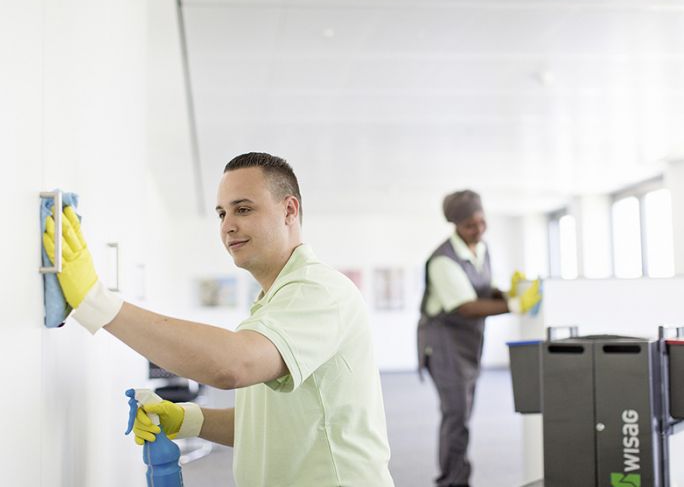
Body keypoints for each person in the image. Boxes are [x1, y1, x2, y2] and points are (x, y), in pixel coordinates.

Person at [44, 152, 395, 487]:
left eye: (242, 209)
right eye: (221, 214)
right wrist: (187, 418)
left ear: (289, 210)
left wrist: (97, 302)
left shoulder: (319, 291)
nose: (228, 226)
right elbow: (269, 425)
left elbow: (232, 366)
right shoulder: (275, 302)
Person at [416, 190, 541, 487]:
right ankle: (452, 481)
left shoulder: (480, 248)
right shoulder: (442, 261)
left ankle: (457, 477)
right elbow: (466, 306)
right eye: (471, 225)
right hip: (444, 345)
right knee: (456, 416)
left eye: (482, 221)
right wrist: (513, 306)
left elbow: (481, 290)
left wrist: (508, 292)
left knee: (462, 414)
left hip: (467, 345)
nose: (479, 229)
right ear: (456, 225)